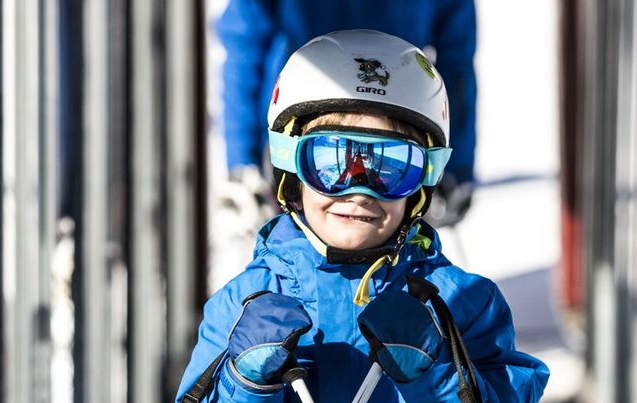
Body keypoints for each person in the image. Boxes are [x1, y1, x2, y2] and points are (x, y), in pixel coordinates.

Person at [178, 30, 548, 402]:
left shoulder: (464, 305)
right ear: (291, 170)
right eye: (329, 161)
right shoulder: (243, 304)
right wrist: (244, 385)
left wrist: (436, 377)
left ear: (422, 184)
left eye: (390, 166)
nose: (358, 190)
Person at [215, 0, 478, 228]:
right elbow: (245, 45)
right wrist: (243, 160)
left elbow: (456, 61)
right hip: (303, 134)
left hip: (396, 136)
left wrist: (455, 166)